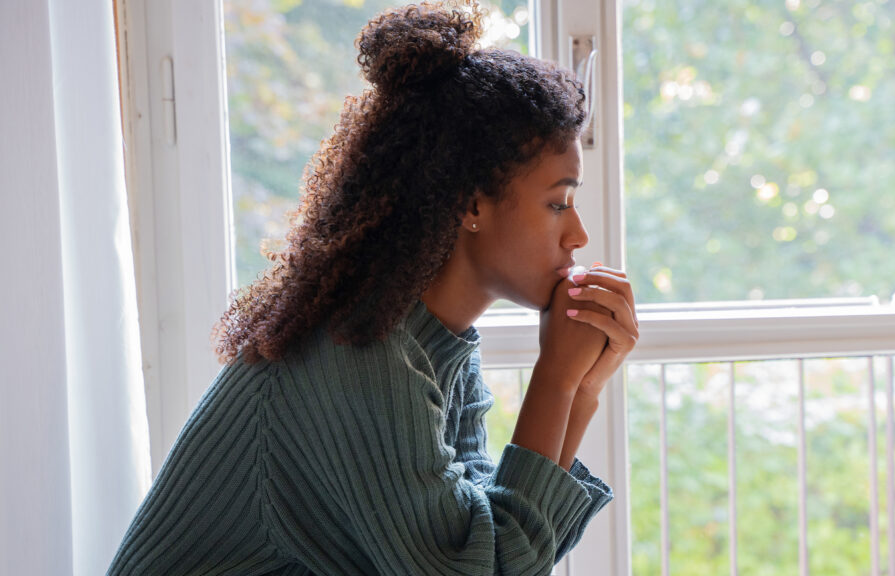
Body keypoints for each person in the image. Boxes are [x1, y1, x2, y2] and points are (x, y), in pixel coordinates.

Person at [108, 1, 638, 574]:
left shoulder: (432, 348)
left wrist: (580, 389)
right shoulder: (364, 356)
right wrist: (557, 381)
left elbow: (499, 549)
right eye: (558, 203)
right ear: (470, 203)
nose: (578, 234)